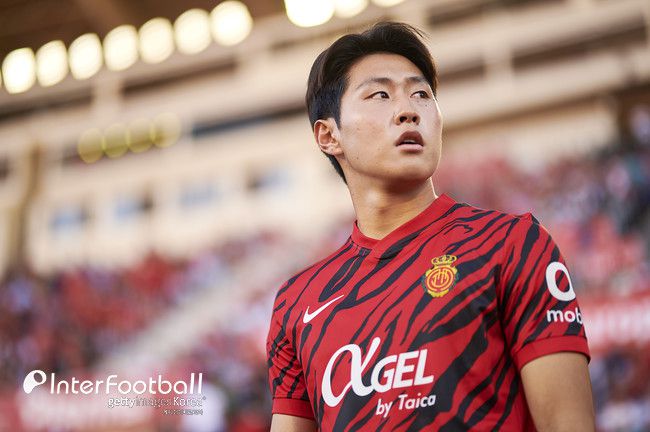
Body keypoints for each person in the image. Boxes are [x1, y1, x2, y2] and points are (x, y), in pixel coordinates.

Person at [266, 22, 594, 431]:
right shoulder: (297, 303)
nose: (409, 109)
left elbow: (568, 422)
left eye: (421, 94)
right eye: (380, 95)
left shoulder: (512, 245)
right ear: (329, 135)